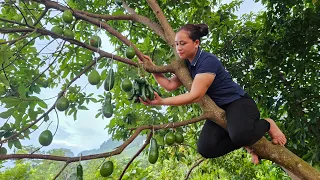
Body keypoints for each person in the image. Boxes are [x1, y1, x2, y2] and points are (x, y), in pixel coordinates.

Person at [139, 23, 286, 164]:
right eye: (177, 44)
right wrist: (151, 68)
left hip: (238, 103)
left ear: (196, 43)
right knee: (206, 149)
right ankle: (246, 141)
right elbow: (170, 85)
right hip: (220, 109)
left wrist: (162, 101)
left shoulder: (207, 61)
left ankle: (267, 124)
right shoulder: (188, 64)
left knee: (240, 135)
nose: (178, 48)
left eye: (183, 43)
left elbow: (195, 95)